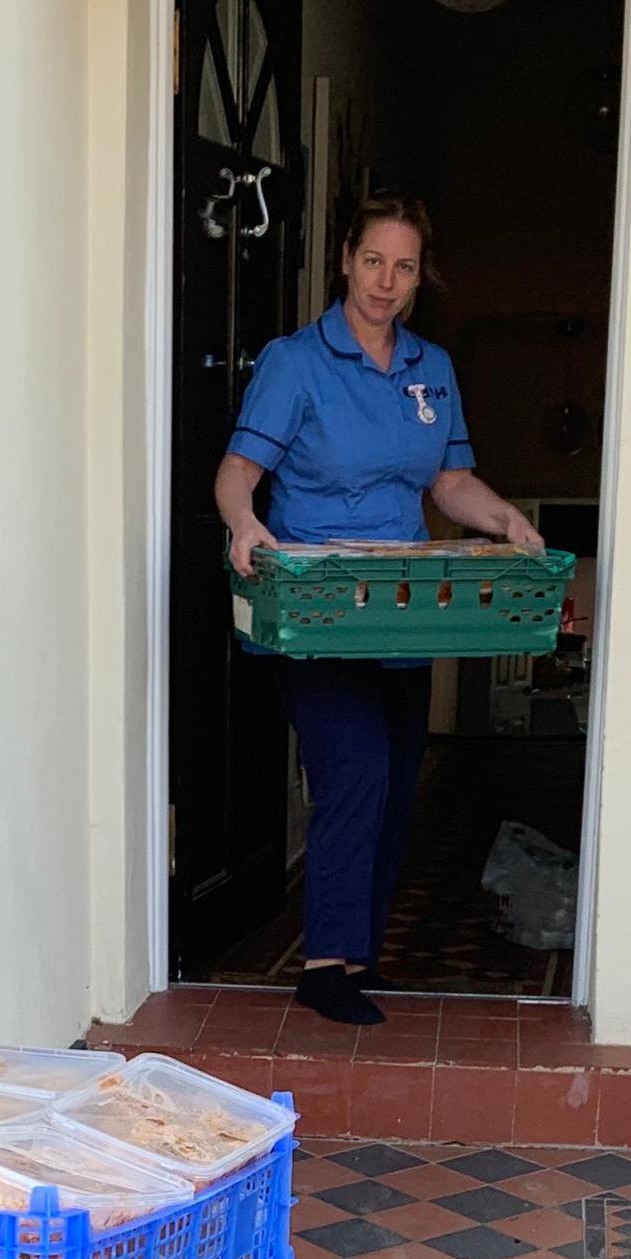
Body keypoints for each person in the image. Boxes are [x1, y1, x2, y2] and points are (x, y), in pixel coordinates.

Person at [215, 196, 543, 1027]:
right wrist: (245, 524)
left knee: (397, 784)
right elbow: (238, 472)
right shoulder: (297, 362)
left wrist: (504, 517)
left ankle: (359, 953)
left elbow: (448, 482)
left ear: (415, 276)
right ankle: (324, 962)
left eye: (403, 267)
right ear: (345, 260)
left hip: (401, 609)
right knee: (354, 769)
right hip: (320, 611)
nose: (385, 282)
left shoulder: (430, 365)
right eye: (372, 262)